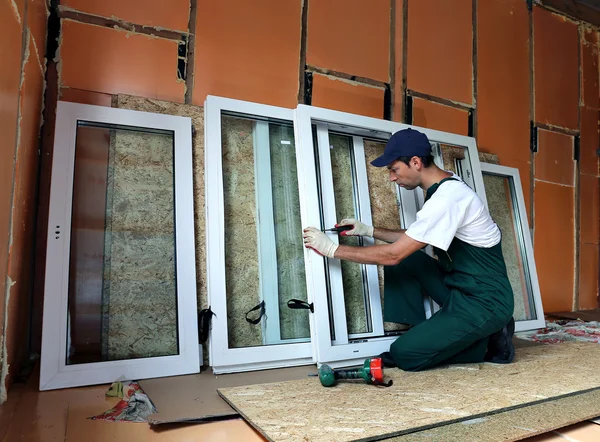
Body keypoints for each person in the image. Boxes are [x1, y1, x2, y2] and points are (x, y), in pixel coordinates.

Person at [302, 128, 515, 372]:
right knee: (410, 259)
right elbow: (417, 236)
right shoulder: (445, 186)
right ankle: (430, 332)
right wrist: (370, 230)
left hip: (485, 301)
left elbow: (393, 255)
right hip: (463, 286)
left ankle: (487, 343)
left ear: (415, 162)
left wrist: (331, 249)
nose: (392, 177)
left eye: (394, 169)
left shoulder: (449, 199)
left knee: (404, 354)